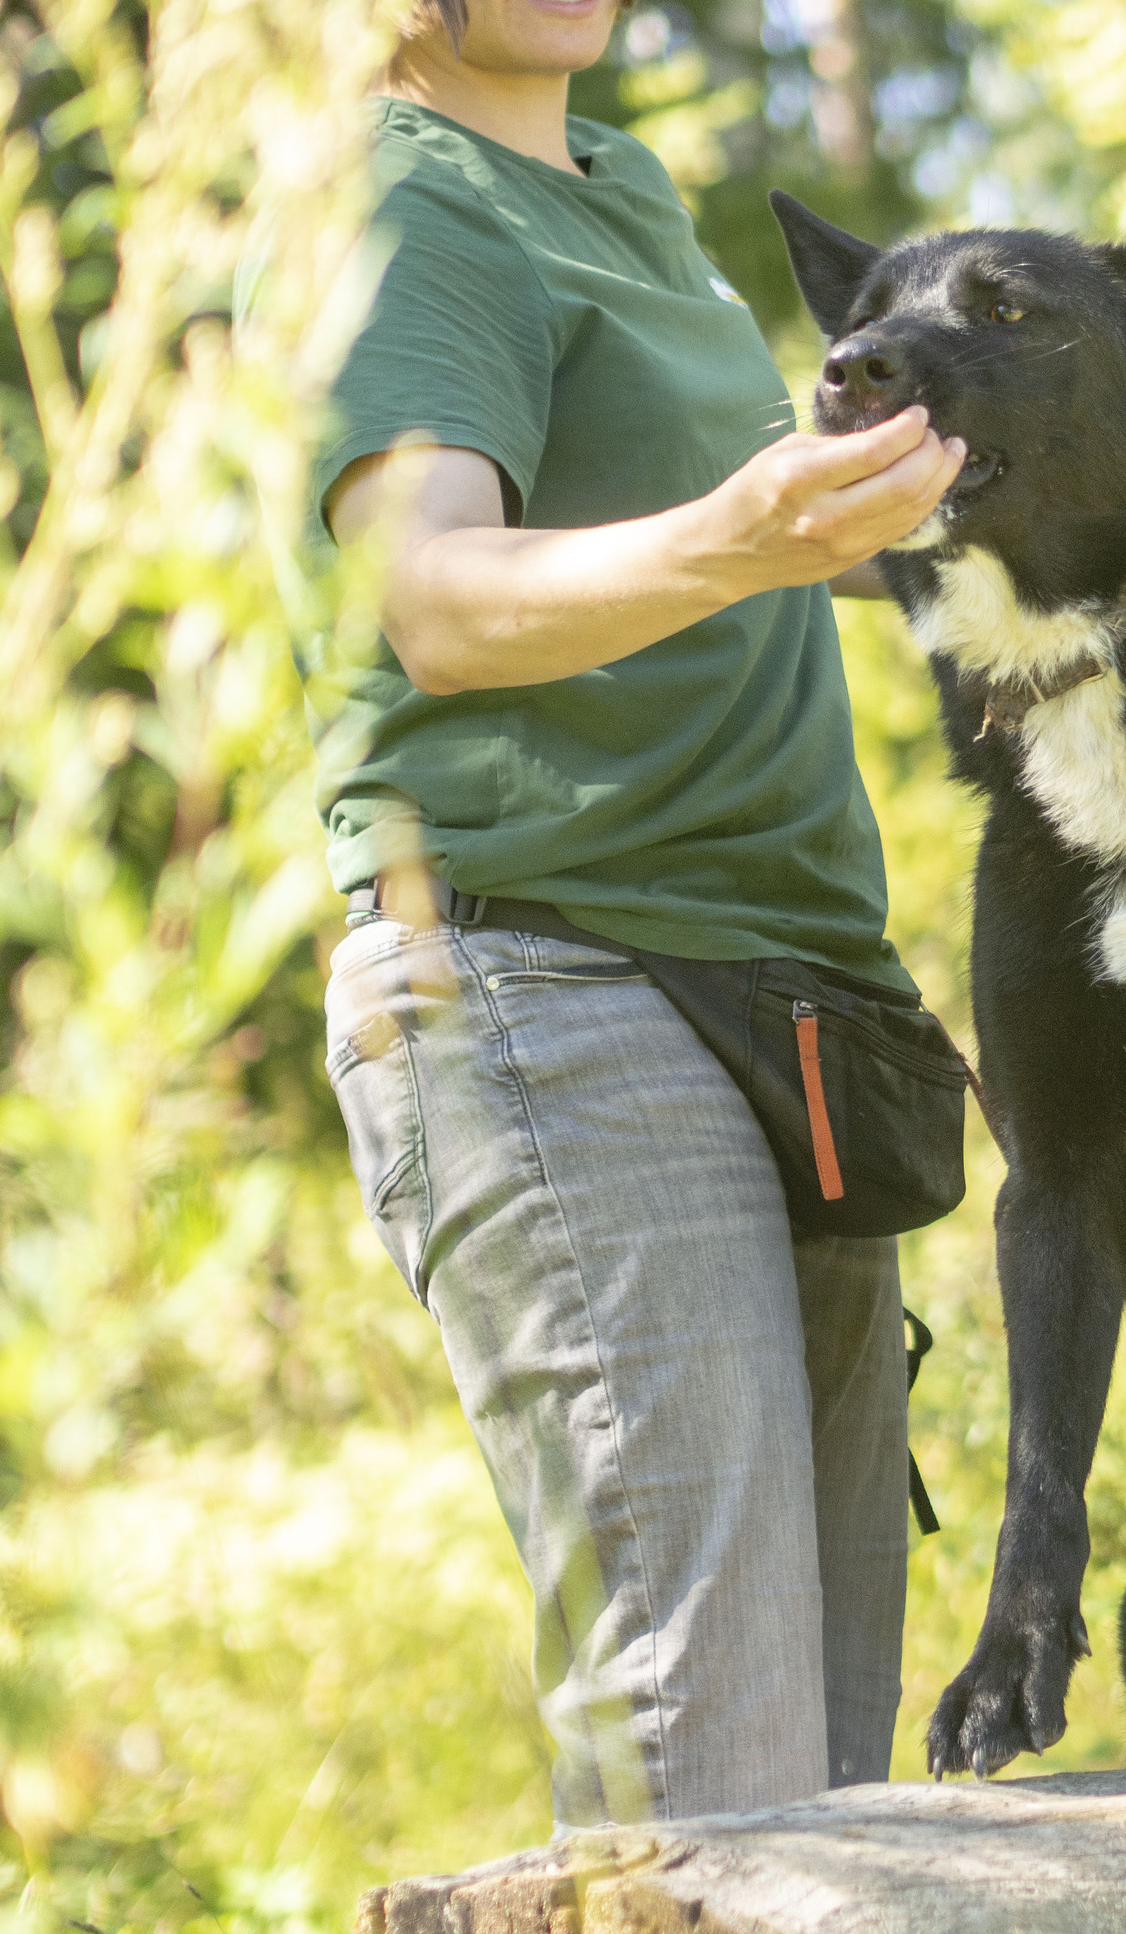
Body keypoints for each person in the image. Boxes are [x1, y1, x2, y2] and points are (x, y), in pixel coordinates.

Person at [311, 0, 964, 1827]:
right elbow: (430, 595)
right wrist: (746, 537)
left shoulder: (620, 183)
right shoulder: (403, 194)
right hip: (559, 986)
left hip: (787, 1011)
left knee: (824, 1809)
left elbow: (711, 583)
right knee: (718, 1797)